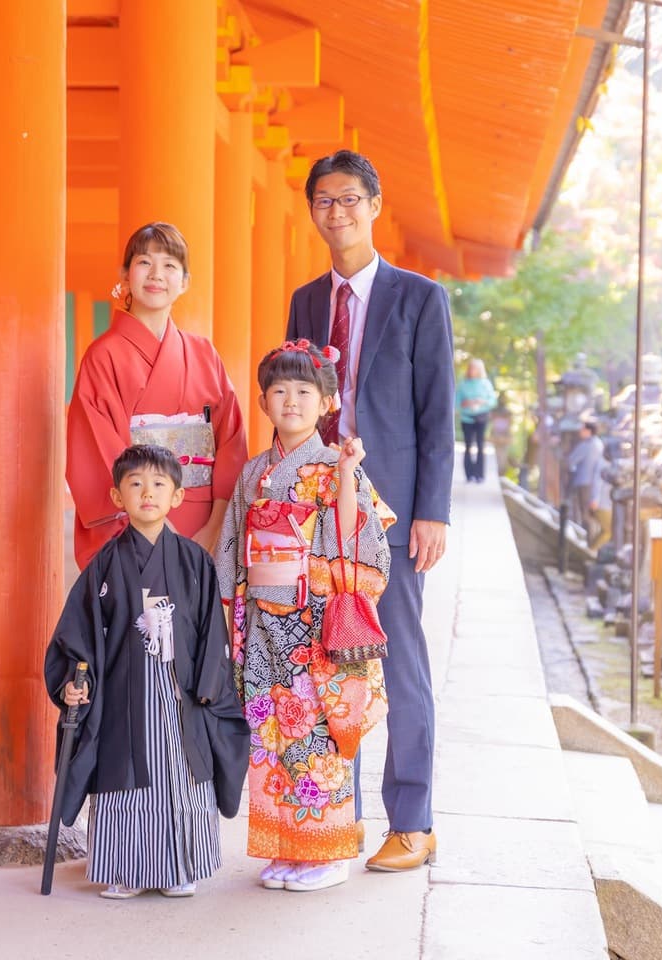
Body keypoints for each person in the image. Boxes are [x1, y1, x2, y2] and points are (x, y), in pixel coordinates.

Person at [285, 149, 454, 872]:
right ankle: (334, 818)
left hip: (392, 512)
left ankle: (412, 822)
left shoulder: (419, 298)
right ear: (313, 212)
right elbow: (294, 403)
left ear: (375, 206)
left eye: (350, 198)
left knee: (400, 657)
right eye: (325, 200)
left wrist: (432, 511)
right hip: (321, 506)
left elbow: (436, 412)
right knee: (324, 659)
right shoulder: (305, 302)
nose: (338, 212)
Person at [214, 340, 394, 893]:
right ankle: (288, 847)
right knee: (271, 736)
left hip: (312, 627)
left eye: (303, 391)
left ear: (327, 403)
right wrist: (229, 614)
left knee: (316, 736)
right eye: (279, 390)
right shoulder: (254, 472)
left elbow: (354, 537)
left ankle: (330, 852)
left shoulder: (336, 464)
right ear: (263, 402)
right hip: (263, 625)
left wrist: (347, 474)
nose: (290, 401)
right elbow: (232, 549)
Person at [44, 444, 249, 900]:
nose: (147, 493)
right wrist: (74, 683)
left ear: (177, 496)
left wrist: (209, 686)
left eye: (159, 484)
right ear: (118, 497)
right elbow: (76, 635)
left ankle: (181, 867)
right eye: (135, 484)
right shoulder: (103, 565)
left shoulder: (195, 561)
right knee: (124, 783)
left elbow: (212, 631)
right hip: (123, 692)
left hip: (181, 692)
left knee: (181, 779)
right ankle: (126, 869)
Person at [67, 222, 249, 569]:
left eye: (169, 265)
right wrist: (158, 531)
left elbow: (231, 441)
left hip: (203, 527)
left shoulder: (204, 353)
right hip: (133, 524)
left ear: (184, 281)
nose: (156, 275)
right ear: (126, 274)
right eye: (144, 262)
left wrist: (215, 527)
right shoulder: (103, 356)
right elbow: (99, 451)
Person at [455, 358, 497, 483]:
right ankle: (469, 475)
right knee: (468, 446)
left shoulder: (485, 384)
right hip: (467, 419)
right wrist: (465, 403)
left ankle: (479, 475)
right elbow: (456, 403)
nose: (471, 370)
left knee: (480, 445)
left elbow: (493, 401)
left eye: (474, 368)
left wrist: (482, 401)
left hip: (481, 419)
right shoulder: (463, 384)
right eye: (470, 368)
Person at [566, 420, 605, 544]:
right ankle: (593, 542)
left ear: (588, 431)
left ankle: (589, 543)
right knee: (592, 514)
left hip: (584, 482)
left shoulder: (587, 445)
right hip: (594, 483)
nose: (580, 431)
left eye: (582, 429)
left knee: (586, 514)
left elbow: (571, 460)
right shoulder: (599, 443)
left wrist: (572, 468)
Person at [488, 394, 514, 479]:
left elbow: (510, 423)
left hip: (503, 435)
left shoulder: (506, 412)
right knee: (498, 456)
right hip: (497, 435)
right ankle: (498, 474)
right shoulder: (496, 411)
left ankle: (501, 474)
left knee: (502, 456)